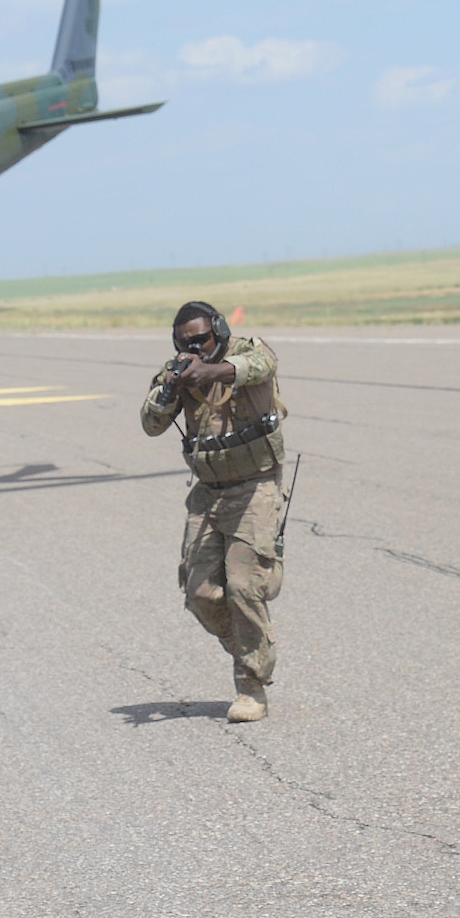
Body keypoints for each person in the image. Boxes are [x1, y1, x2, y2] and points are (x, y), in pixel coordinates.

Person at [140, 302, 288, 723]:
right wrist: (170, 388)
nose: (196, 347)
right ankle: (248, 645)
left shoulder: (247, 350)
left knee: (244, 586)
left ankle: (252, 686)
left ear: (219, 331)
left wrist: (214, 371)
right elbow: (150, 424)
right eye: (187, 343)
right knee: (200, 593)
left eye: (203, 338)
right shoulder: (179, 373)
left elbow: (262, 365)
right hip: (208, 493)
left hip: (255, 487)